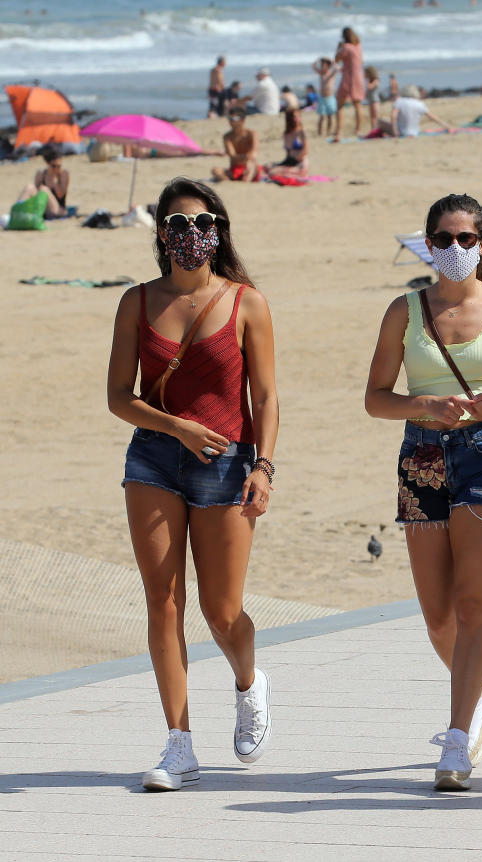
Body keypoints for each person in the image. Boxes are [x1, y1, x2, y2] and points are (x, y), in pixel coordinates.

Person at [364, 193, 482, 790]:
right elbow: (375, 397)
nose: (452, 250)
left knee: (473, 603)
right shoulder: (406, 310)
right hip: (420, 453)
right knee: (437, 614)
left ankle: (457, 734)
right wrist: (424, 405)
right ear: (428, 244)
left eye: (465, 239)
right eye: (441, 239)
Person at [105, 177, 278, 791]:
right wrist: (176, 426)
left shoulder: (245, 302)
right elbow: (117, 398)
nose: (191, 235)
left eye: (203, 225)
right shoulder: (137, 301)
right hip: (153, 458)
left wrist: (262, 467)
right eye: (178, 225)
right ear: (161, 233)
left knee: (221, 610)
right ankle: (179, 745)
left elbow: (266, 396)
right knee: (163, 601)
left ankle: (248, 682)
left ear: (218, 232)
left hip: (227, 464)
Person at [374, 84, 453, 137]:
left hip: (401, 132)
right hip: (414, 132)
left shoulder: (399, 101)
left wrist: (395, 131)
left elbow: (393, 116)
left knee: (380, 122)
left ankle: (372, 135)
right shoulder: (419, 103)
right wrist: (446, 126)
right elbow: (432, 117)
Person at [17, 146, 69, 218]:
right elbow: (34, 194)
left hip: (57, 210)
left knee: (44, 189)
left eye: (59, 166)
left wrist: (54, 179)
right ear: (48, 164)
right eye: (54, 166)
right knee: (29, 187)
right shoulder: (41, 174)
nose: (57, 168)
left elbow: (60, 195)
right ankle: (18, 208)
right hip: (43, 208)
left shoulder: (63, 174)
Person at [211, 108, 259, 183]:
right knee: (215, 170)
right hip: (234, 169)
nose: (231, 121)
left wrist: (244, 157)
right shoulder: (227, 136)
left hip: (249, 167)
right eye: (230, 118)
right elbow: (232, 155)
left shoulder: (251, 134)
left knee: (252, 166)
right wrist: (246, 156)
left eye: (234, 118)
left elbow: (253, 154)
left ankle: (245, 181)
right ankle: (228, 182)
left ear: (242, 119)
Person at [335, 27, 366, 141]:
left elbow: (337, 59)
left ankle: (338, 130)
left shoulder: (346, 47)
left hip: (348, 77)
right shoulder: (358, 46)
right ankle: (358, 129)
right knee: (358, 104)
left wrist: (338, 48)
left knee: (339, 105)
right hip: (358, 76)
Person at [266, 109, 308, 180]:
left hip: (300, 163)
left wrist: (292, 164)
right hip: (289, 161)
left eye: (298, 116)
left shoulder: (301, 133)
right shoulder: (287, 134)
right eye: (295, 117)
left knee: (273, 172)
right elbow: (288, 153)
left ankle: (289, 172)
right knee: (267, 167)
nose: (297, 119)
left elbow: (305, 151)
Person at [312, 56, 339, 137]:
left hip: (330, 98)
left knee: (330, 116)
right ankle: (320, 133)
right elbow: (313, 66)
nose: (323, 67)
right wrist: (318, 60)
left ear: (328, 66)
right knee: (321, 117)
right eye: (322, 65)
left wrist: (332, 62)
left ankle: (328, 132)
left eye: (324, 65)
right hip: (322, 98)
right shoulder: (321, 74)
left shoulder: (331, 74)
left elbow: (337, 69)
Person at [364, 65, 381, 131]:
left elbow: (369, 87)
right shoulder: (371, 81)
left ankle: (376, 129)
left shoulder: (376, 80)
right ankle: (373, 130)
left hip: (375, 101)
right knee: (372, 117)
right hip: (371, 100)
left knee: (375, 116)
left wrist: (367, 80)